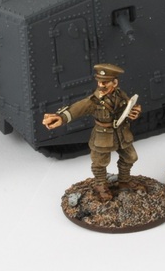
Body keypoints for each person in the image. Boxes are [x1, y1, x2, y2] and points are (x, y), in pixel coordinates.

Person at [43, 63, 141, 201]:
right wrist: (61, 117)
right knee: (100, 163)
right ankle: (101, 185)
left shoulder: (121, 95)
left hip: (121, 133)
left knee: (131, 157)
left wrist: (135, 112)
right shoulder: (94, 101)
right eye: (99, 82)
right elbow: (78, 108)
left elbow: (128, 108)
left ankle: (124, 181)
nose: (101, 85)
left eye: (105, 82)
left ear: (115, 83)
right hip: (103, 136)